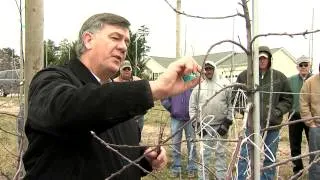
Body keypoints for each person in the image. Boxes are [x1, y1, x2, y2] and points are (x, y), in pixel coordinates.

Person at [22, 13, 201, 180]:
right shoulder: (52, 79)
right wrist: (154, 88)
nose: (123, 47)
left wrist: (142, 158)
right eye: (115, 37)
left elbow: (107, 155)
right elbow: (69, 112)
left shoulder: (117, 96)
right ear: (88, 39)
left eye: (126, 42)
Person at [236, 46, 292, 180]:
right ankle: (242, 178)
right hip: (250, 125)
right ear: (255, 60)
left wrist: (276, 111)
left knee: (270, 157)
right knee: (244, 154)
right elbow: (236, 98)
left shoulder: (279, 77)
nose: (262, 61)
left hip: (272, 124)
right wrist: (246, 110)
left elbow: (288, 99)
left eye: (264, 58)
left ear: (269, 60)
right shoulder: (245, 76)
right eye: (259, 58)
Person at [189, 60, 233, 180]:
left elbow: (231, 105)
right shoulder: (199, 87)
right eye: (206, 69)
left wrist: (227, 123)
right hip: (205, 127)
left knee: (221, 155)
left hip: (221, 126)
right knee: (204, 156)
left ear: (215, 69)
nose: (208, 71)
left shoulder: (225, 85)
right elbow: (192, 107)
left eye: (210, 69)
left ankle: (221, 177)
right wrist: (196, 125)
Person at [161, 89, 197, 178]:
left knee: (192, 145)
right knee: (175, 144)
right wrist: (172, 108)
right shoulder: (173, 82)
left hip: (191, 118)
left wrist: (195, 111)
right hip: (175, 118)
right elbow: (163, 96)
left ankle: (191, 168)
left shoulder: (192, 81)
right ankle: (176, 168)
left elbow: (198, 97)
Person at [288, 56, 312, 176]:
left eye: (305, 65)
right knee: (295, 145)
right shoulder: (290, 80)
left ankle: (314, 169)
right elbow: (285, 97)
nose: (303, 67)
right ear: (297, 67)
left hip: (311, 116)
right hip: (294, 116)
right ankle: (297, 171)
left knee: (313, 143)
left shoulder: (315, 80)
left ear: (310, 66)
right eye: (301, 65)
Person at [114, 60, 145, 140]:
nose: (127, 71)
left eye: (128, 69)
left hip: (137, 116)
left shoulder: (138, 81)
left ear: (131, 70)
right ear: (120, 70)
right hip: (121, 116)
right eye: (124, 69)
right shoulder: (114, 82)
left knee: (136, 136)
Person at [300, 63, 320, 180]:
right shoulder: (310, 83)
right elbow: (303, 104)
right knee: (315, 159)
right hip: (316, 127)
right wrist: (310, 123)